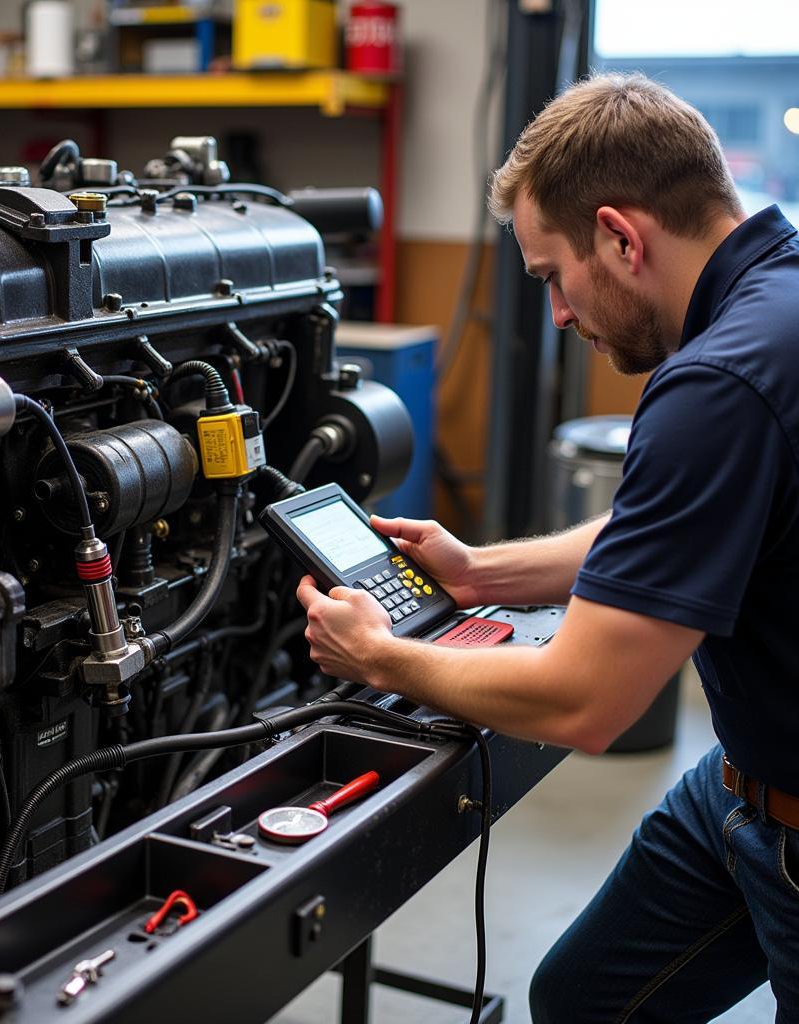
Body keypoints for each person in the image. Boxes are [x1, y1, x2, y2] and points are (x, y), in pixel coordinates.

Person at [296, 73, 799, 1022]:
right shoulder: (779, 298)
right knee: (583, 1000)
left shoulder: (717, 383)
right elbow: (679, 522)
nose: (560, 316)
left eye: (550, 278)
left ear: (620, 235)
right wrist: (481, 570)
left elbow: (583, 701)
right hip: (742, 784)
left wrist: (381, 656)